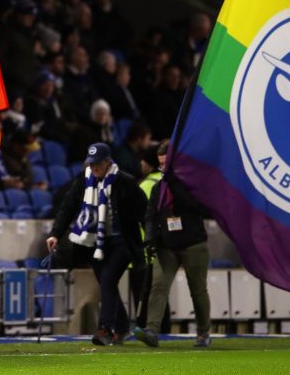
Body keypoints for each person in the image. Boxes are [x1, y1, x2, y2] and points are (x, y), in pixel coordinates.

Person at [46, 142, 147, 345]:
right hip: (95, 241)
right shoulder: (84, 181)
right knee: (106, 283)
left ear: (108, 162)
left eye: (97, 165)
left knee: (108, 280)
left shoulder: (125, 181)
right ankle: (121, 327)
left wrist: (152, 238)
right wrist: (55, 233)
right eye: (91, 165)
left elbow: (143, 210)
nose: (94, 169)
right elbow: (68, 206)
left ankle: (104, 330)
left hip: (122, 241)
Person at [134, 140, 213, 348]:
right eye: (160, 165)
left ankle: (203, 332)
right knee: (158, 286)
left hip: (193, 243)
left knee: (197, 289)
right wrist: (149, 240)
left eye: (166, 164)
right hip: (166, 244)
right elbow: (150, 216)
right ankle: (152, 330)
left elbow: (201, 208)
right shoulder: (158, 188)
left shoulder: (192, 183)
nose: (163, 169)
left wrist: (176, 184)